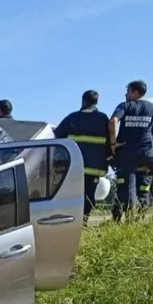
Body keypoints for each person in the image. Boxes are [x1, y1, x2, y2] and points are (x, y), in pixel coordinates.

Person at [108, 80, 153, 220]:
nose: (126, 94)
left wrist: (113, 143)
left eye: (128, 91)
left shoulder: (124, 106)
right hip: (147, 150)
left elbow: (112, 122)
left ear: (136, 92)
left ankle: (128, 214)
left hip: (126, 151)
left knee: (128, 181)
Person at [53, 90, 111, 220]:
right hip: (94, 167)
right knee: (89, 195)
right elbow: (110, 141)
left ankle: (72, 220)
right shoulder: (103, 119)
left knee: (73, 196)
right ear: (96, 102)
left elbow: (56, 137)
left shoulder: (72, 118)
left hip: (74, 167)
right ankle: (85, 220)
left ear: (83, 101)